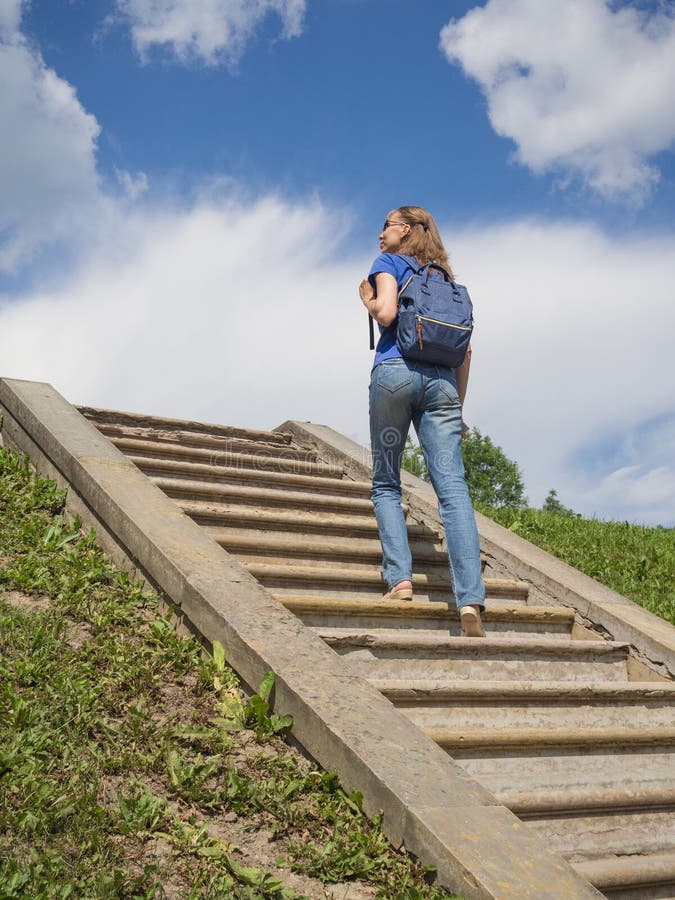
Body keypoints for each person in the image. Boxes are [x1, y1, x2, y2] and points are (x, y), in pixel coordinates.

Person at [359, 205, 486, 637]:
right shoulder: (446, 280)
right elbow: (465, 352)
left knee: (386, 482)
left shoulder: (387, 263)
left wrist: (369, 298)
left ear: (407, 231)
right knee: (453, 491)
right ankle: (470, 600)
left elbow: (388, 316)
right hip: (444, 388)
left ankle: (400, 579)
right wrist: (459, 411)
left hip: (395, 376)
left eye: (387, 226)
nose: (380, 234)